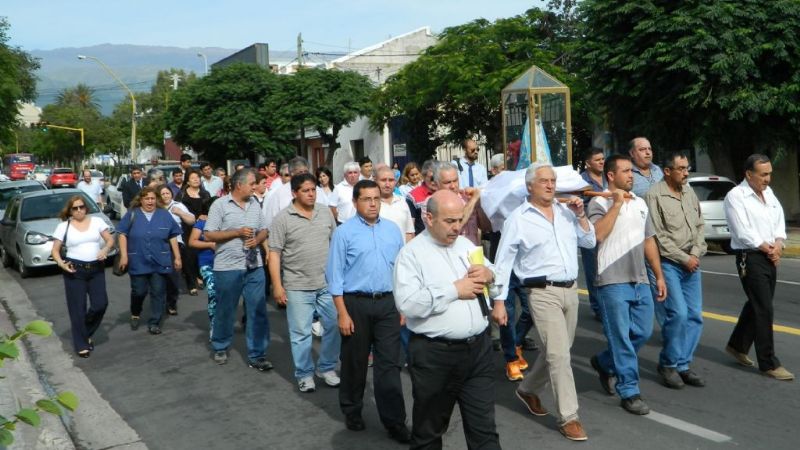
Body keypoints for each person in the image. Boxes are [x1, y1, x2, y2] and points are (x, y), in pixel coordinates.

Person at [493, 163, 595, 441]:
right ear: (530, 186)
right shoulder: (518, 218)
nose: (550, 185)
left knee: (557, 352)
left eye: (553, 181)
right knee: (560, 355)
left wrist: (582, 215)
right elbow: (503, 262)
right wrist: (499, 301)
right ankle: (569, 416)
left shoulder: (566, 212)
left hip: (570, 291)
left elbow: (589, 242)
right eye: (544, 181)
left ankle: (527, 389)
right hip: (541, 292)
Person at [394, 190, 501, 449]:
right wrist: (454, 290)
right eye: (449, 221)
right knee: (429, 431)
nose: (457, 227)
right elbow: (408, 303)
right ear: (428, 218)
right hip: (435, 356)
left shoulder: (466, 246)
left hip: (477, 352)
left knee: (484, 430)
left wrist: (490, 275)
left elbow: (494, 284)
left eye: (459, 219)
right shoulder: (411, 255)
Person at [325, 180, 409, 443]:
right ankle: (352, 409)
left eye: (376, 199)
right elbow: (335, 276)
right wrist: (342, 312)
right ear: (355, 202)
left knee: (389, 365)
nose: (373, 204)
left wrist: (403, 304)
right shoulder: (344, 233)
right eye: (366, 199)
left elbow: (401, 270)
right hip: (355, 304)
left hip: (387, 304)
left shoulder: (393, 231)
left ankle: (394, 421)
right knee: (355, 362)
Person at [587, 154, 667, 415]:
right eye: (625, 172)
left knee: (642, 333)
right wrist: (617, 205)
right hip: (611, 281)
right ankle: (629, 391)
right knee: (620, 337)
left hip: (640, 279)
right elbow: (597, 235)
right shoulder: (599, 202)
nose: (631, 175)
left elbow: (648, 241)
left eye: (632, 172)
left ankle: (603, 361)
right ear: (611, 176)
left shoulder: (641, 204)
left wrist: (659, 275)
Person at [723, 154, 793, 381]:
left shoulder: (769, 194)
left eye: (769, 173)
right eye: (763, 174)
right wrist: (767, 248)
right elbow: (742, 232)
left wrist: (779, 244)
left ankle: (737, 345)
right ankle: (768, 362)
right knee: (764, 308)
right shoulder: (736, 196)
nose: (767, 179)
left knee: (758, 303)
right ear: (749, 174)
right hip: (750, 256)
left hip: (769, 255)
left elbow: (778, 220)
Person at [269, 173, 340, 393]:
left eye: (313, 190)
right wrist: (278, 286)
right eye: (305, 190)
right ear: (294, 193)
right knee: (301, 333)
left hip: (327, 284)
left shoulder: (325, 212)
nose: (311, 194)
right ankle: (304, 373)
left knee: (335, 326)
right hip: (297, 285)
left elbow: (335, 245)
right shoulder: (283, 218)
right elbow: (274, 254)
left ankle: (326, 367)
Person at [644, 152, 707, 389]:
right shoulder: (654, 196)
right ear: (667, 171)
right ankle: (668, 363)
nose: (686, 172)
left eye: (687, 168)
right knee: (678, 314)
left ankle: (682, 364)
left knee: (694, 316)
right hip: (669, 263)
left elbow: (700, 225)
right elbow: (657, 236)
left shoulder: (689, 192)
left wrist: (695, 253)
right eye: (681, 168)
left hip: (692, 262)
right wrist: (683, 258)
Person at [203, 168, 272, 371]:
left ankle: (257, 353)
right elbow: (209, 235)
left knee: (258, 309)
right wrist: (237, 233)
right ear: (239, 185)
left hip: (254, 265)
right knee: (226, 308)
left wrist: (256, 240)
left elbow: (264, 230)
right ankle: (220, 345)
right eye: (252, 184)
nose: (256, 187)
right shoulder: (220, 205)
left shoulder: (255, 204)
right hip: (228, 267)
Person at [51, 195, 114, 358]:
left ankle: (84, 331)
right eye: (75, 208)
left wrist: (105, 250)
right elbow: (55, 251)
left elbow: (110, 240)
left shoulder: (97, 222)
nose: (79, 210)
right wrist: (62, 264)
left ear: (86, 208)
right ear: (70, 210)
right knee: (77, 308)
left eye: (81, 207)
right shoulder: (64, 227)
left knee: (100, 304)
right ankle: (81, 344)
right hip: (74, 270)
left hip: (96, 268)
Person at [116, 186, 183, 335]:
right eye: (147, 198)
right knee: (139, 291)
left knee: (158, 292)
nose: (150, 201)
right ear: (141, 200)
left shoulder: (164, 214)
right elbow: (121, 234)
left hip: (160, 259)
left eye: (153, 198)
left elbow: (173, 235)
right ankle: (135, 311)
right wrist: (124, 256)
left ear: (157, 200)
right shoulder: (132, 214)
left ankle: (154, 322)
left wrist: (177, 257)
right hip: (138, 259)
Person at [159, 184, 197, 314]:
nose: (165, 196)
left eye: (167, 193)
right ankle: (160, 302)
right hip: (159, 245)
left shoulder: (178, 205)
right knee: (159, 276)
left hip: (175, 244)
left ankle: (171, 302)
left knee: (172, 275)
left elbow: (192, 220)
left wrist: (180, 213)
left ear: (171, 194)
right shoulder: (155, 207)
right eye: (162, 194)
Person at [580, 147, 607, 321]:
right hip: (590, 229)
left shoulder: (608, 177)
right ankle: (597, 306)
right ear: (588, 163)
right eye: (597, 160)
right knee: (593, 270)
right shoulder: (581, 180)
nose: (601, 162)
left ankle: (607, 303)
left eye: (603, 159)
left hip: (608, 228)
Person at [263, 157, 327, 229]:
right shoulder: (278, 194)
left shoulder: (318, 191)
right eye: (300, 172)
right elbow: (270, 223)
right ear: (291, 174)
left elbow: (326, 214)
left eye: (305, 172)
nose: (303, 176)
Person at [189, 197, 218, 340]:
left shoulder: (227, 221)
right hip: (207, 263)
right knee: (213, 291)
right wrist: (210, 245)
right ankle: (215, 325)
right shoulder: (202, 222)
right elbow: (192, 241)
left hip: (226, 264)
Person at [432, 162, 482, 245]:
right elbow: (457, 225)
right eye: (447, 182)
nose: (453, 186)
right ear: (437, 184)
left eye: (455, 181)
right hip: (451, 253)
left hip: (473, 251)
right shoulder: (432, 203)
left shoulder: (467, 197)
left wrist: (479, 203)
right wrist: (473, 200)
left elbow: (485, 226)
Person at [376, 166, 414, 242]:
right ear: (375, 181)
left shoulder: (402, 201)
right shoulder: (371, 203)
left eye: (391, 180)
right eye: (383, 180)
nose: (387, 184)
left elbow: (409, 232)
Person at [407, 160, 437, 235]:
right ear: (423, 176)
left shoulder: (445, 192)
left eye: (438, 177)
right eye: (432, 178)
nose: (435, 181)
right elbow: (410, 228)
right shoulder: (412, 196)